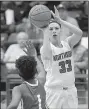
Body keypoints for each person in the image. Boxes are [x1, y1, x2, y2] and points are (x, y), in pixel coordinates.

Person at [36, 6, 83, 109]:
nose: (54, 31)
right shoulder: (45, 48)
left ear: (60, 30)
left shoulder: (67, 43)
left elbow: (79, 33)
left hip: (70, 90)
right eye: (51, 29)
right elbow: (48, 55)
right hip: (54, 91)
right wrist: (44, 31)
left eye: (56, 28)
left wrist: (61, 21)